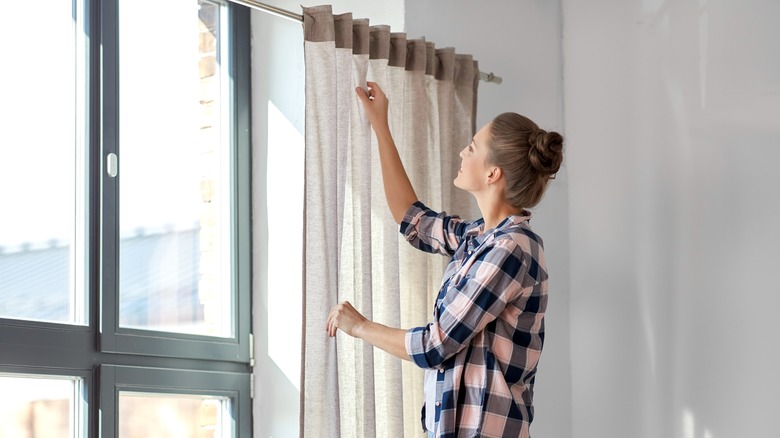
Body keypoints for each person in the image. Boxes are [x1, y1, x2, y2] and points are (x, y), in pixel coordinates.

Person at [326, 81, 564, 438]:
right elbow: (413, 219)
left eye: (471, 148)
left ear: (492, 173)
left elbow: (436, 345)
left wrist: (360, 326)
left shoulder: (512, 249)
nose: (461, 152)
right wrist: (381, 126)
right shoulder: (476, 239)